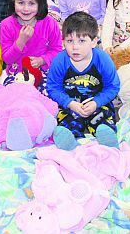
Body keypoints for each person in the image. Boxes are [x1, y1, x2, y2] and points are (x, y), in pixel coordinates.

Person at [47, 12, 120, 151]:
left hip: (97, 102)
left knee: (103, 118)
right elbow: (53, 88)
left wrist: (96, 103)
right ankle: (71, 142)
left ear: (93, 41)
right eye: (69, 41)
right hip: (70, 105)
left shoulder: (102, 59)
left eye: (81, 41)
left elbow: (113, 87)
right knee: (68, 121)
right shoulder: (60, 61)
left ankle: (107, 138)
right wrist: (70, 103)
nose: (75, 47)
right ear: (63, 41)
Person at [0, 0, 63, 91]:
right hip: (16, 75)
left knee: (49, 95)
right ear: (13, 2)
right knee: (14, 99)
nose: (26, 9)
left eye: (31, 3)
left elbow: (57, 50)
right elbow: (7, 59)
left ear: (40, 4)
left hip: (44, 73)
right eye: (21, 3)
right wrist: (21, 41)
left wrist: (43, 60)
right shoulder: (6, 25)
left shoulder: (50, 23)